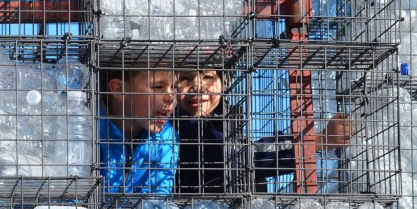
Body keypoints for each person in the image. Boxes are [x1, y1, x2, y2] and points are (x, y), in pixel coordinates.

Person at [175, 69, 355, 194]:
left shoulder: (220, 123)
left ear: (225, 82)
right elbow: (240, 157)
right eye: (185, 78)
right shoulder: (184, 127)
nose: (198, 86)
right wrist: (315, 142)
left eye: (207, 77)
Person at [99, 67, 178, 195]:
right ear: (119, 89)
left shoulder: (166, 136)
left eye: (175, 88)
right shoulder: (88, 130)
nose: (171, 98)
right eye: (158, 87)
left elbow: (158, 198)